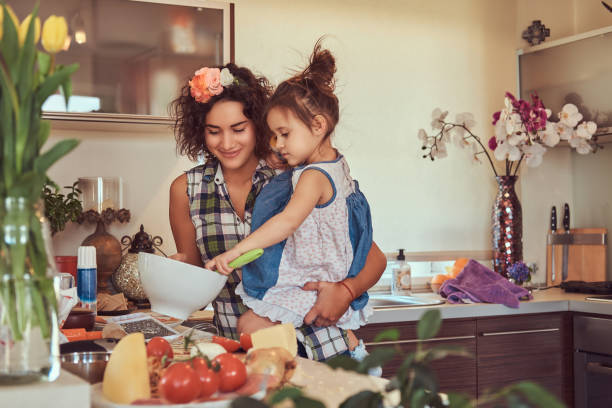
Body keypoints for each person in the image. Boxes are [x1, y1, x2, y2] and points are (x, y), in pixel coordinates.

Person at [169, 61, 386, 361]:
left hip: (321, 346)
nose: (227, 142)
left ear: (258, 126)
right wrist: (174, 274)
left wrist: (347, 291)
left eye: (239, 128)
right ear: (200, 131)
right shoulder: (187, 190)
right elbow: (199, 283)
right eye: (214, 131)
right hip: (238, 357)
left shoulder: (294, 178)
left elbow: (371, 258)